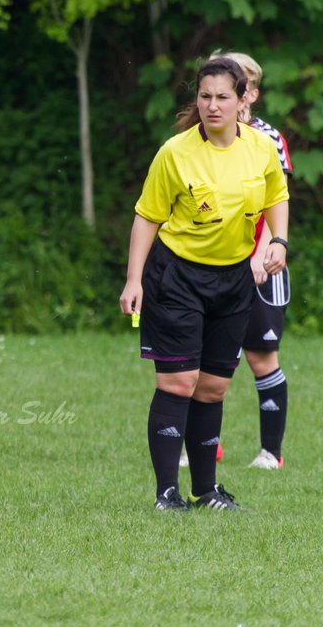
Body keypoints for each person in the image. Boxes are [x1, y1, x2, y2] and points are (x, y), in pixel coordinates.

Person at [119, 56, 289, 512]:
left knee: (213, 388)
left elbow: (277, 196)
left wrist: (279, 242)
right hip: (177, 276)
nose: (213, 106)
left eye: (222, 97)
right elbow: (146, 217)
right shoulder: (175, 152)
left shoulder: (260, 148)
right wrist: (134, 279)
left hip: (233, 279)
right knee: (179, 381)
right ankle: (166, 493)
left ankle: (206, 490)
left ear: (242, 100)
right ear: (198, 100)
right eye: (205, 96)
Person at [214, 51, 293, 470]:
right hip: (211, 265)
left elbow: (273, 203)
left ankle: (271, 452)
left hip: (261, 265)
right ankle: (207, 444)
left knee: (260, 357)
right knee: (206, 357)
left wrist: (263, 253)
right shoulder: (200, 138)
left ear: (250, 93)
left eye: (236, 82)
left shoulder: (267, 139)